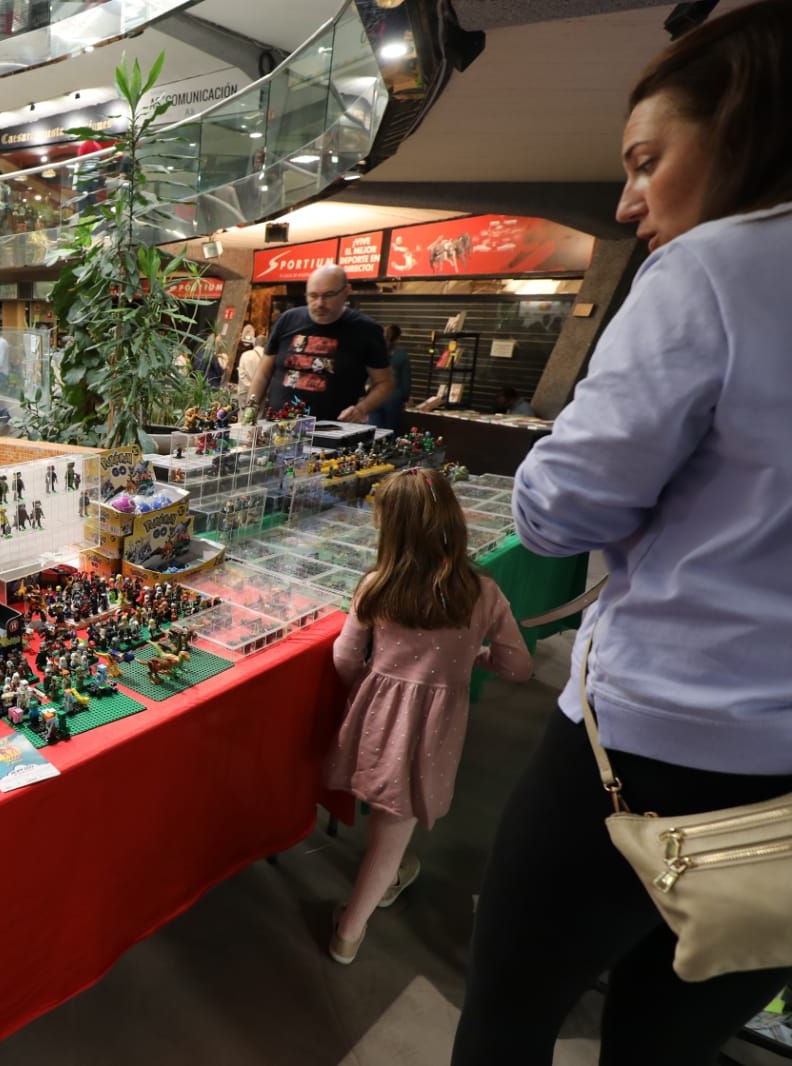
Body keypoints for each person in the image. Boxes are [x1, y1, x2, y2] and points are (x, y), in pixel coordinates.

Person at [454, 5, 792, 1062]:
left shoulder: (710, 269)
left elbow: (563, 507)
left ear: (739, 124)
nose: (626, 198)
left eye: (648, 159)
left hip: (647, 740)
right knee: (672, 1041)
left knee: (508, 1014)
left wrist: (567, 442)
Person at [324, 469, 532, 966]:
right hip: (435, 728)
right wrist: (478, 658)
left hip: (379, 718)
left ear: (389, 529)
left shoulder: (375, 585)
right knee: (396, 829)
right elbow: (518, 666)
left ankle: (358, 915)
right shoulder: (481, 592)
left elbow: (344, 659)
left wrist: (372, 685)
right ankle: (349, 933)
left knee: (383, 814)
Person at [253, 265, 393, 422]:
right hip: (278, 428)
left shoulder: (366, 330)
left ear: (346, 291)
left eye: (328, 295)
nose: (320, 303)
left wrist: (362, 409)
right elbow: (263, 373)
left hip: (331, 432)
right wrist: (249, 412)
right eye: (313, 296)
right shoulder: (287, 320)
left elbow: (384, 382)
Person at [370, 324, 411, 430]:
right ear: (397, 338)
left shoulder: (375, 352)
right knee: (391, 432)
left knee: (374, 431)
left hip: (375, 396)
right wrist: (405, 398)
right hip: (393, 397)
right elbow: (405, 381)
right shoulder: (402, 355)